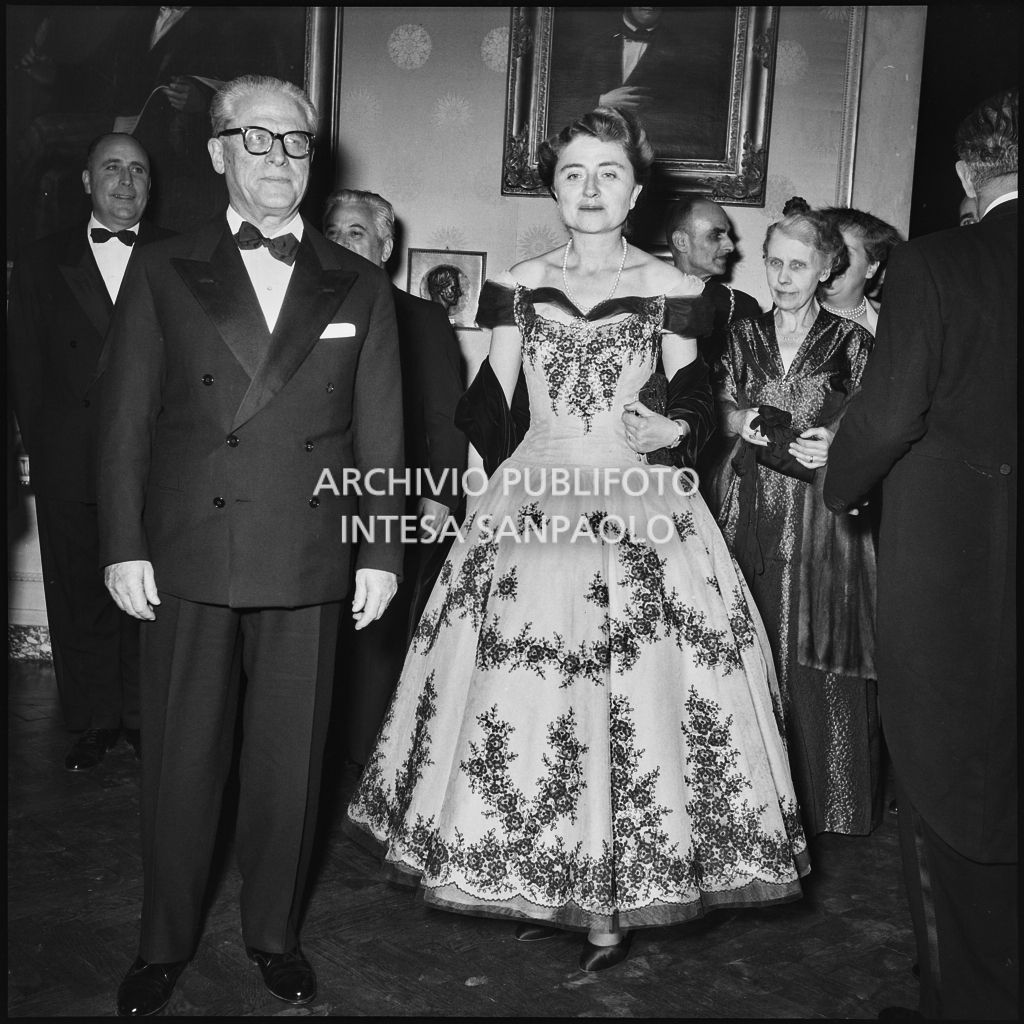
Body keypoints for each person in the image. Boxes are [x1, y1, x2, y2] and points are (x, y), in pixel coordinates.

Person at [346, 107, 808, 975]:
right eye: (572, 174)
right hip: (534, 493)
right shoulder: (517, 282)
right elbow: (492, 402)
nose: (590, 190)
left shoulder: (672, 287)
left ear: (635, 192)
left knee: (632, 701)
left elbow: (691, 391)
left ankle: (612, 904)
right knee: (533, 701)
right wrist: (474, 492)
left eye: (608, 174)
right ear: (553, 188)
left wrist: (675, 432)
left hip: (638, 499)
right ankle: (556, 882)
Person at [97, 75, 404, 1016]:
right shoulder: (163, 267)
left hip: (307, 555)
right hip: (187, 551)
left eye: (297, 142)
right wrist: (121, 543)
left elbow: (381, 433)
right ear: (217, 151)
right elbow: (124, 419)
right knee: (181, 765)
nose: (280, 158)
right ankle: (162, 944)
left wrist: (381, 553)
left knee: (289, 767)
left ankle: (274, 936)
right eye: (258, 139)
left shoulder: (357, 282)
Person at [824, 88, 1017, 1021]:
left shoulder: (940, 263)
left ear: (967, 173)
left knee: (945, 781)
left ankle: (963, 1000)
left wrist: (840, 484)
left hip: (956, 572)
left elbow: (889, 416)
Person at [709, 202, 882, 839]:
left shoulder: (853, 341)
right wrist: (739, 420)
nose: (784, 278)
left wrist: (835, 441)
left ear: (826, 269)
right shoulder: (740, 335)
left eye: (798, 266)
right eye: (775, 263)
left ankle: (825, 802)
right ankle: (745, 802)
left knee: (818, 645)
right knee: (743, 638)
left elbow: (872, 416)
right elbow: (714, 402)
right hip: (745, 505)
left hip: (818, 514)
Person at [8, 133, 173, 772]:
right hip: (70, 457)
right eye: (112, 168)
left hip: (158, 461)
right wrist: (36, 450)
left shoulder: (181, 254)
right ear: (86, 181)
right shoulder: (42, 260)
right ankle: (95, 720)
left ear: (151, 185)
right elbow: (25, 367)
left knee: (149, 594)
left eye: (138, 170)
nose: (126, 182)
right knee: (80, 595)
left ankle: (144, 718)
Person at [324, 187, 467, 765]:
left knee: (377, 632)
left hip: (394, 504)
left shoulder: (421, 318)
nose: (341, 243)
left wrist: (440, 495)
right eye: (333, 232)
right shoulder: (301, 310)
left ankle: (367, 757)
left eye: (356, 232)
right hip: (317, 502)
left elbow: (445, 416)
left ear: (385, 248)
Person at [664, 196, 762, 494]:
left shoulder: (742, 307)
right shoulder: (646, 298)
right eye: (716, 235)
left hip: (718, 458)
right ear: (682, 241)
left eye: (728, 235)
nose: (730, 246)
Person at [549, 7, 733, 161]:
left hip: (651, 155)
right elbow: (559, 106)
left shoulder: (685, 52)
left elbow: (694, 119)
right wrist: (601, 101)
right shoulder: (591, 46)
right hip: (592, 151)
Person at [818, 206, 903, 335]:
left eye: (845, 252)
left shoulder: (888, 332)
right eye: (826, 250)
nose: (832, 261)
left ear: (871, 267)